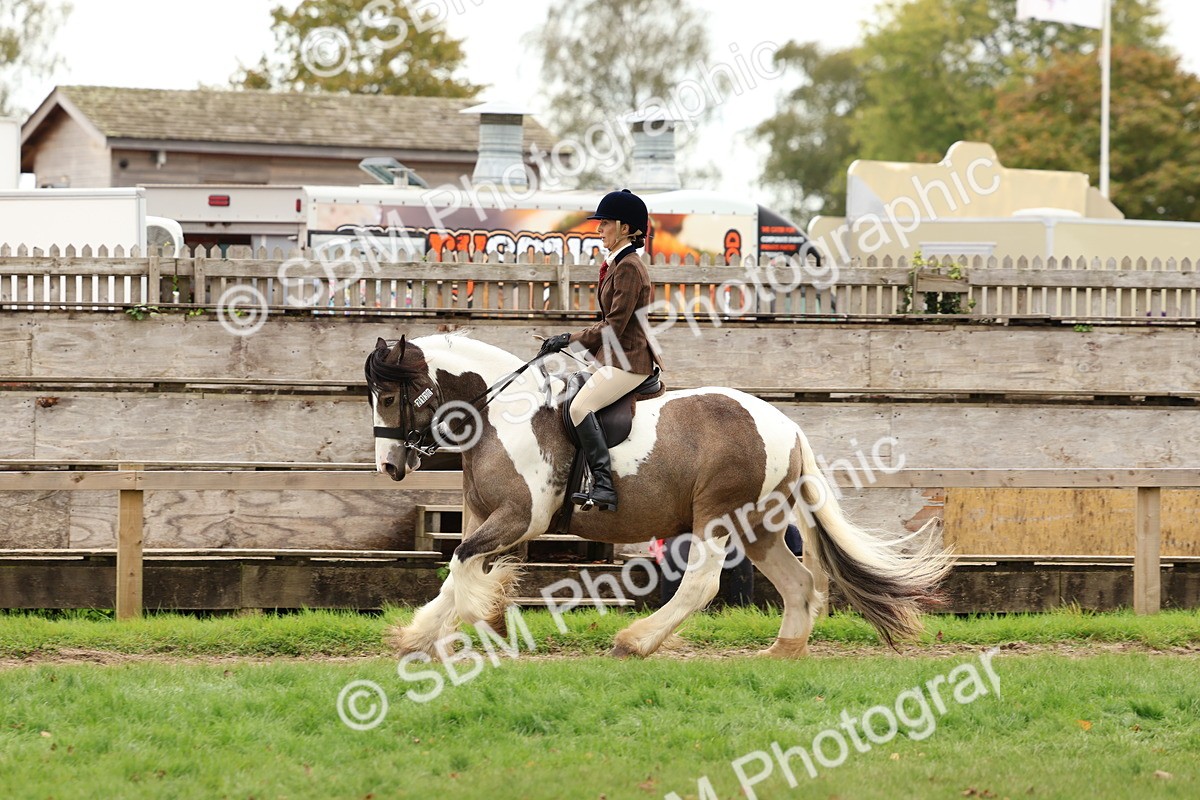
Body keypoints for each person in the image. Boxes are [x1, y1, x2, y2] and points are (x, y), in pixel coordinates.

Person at [538, 188, 660, 511]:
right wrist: (570, 343)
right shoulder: (616, 264)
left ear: (624, 227)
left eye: (605, 223)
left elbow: (613, 327)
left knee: (580, 408)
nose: (599, 229)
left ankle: (603, 484)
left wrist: (568, 338)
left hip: (630, 362)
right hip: (611, 356)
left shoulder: (630, 267)